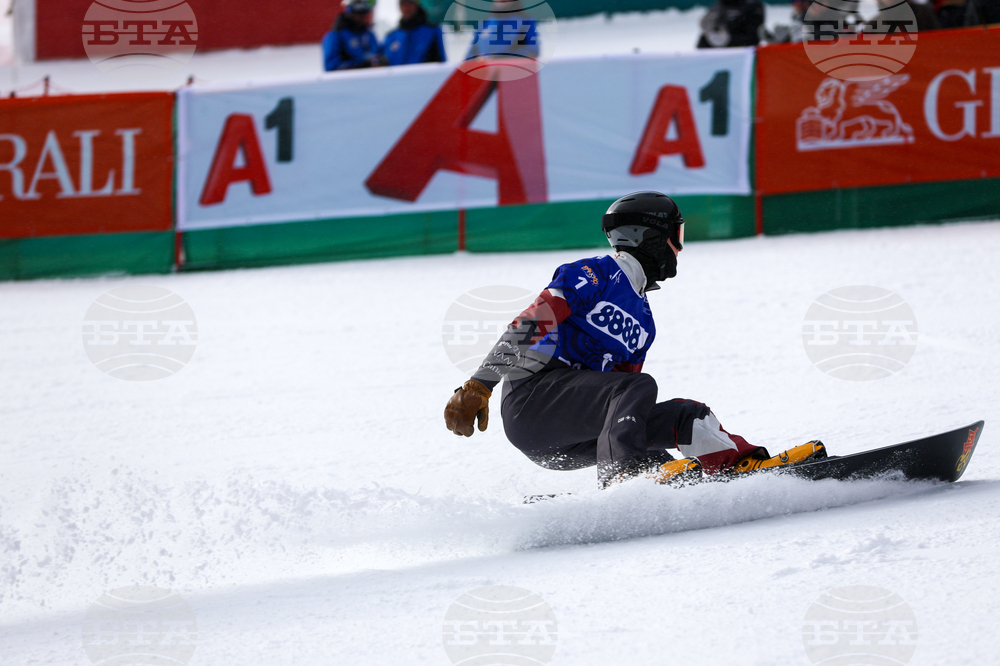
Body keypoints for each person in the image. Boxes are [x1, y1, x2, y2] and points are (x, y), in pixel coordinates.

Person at [444, 192, 826, 488]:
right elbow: (534, 322)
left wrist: (664, 467)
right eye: (676, 235)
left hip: (575, 431)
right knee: (636, 386)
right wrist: (481, 383)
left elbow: (627, 415)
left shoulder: (644, 321)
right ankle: (624, 482)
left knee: (684, 414)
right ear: (651, 237)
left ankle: (737, 468)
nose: (679, 247)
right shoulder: (595, 274)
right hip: (532, 404)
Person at [465, 0, 541, 62]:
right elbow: (469, 57)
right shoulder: (484, 23)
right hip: (484, 76)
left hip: (513, 75)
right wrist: (477, 61)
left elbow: (532, 51)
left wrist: (501, 59)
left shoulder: (525, 21)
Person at [382, 0, 446, 66]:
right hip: (396, 76)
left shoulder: (432, 32)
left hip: (423, 75)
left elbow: (441, 65)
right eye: (403, 3)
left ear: (417, 5)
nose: (407, 7)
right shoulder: (391, 37)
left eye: (410, 3)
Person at [322, 0, 381, 72]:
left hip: (372, 81)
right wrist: (360, 65)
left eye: (364, 13)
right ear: (350, 11)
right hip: (347, 81)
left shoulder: (369, 34)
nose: (362, 17)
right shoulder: (336, 36)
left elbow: (378, 55)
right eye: (358, 13)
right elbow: (331, 66)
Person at [697, 0, 765, 48]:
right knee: (703, 40)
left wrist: (727, 40)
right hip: (719, 49)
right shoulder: (719, 5)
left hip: (743, 51)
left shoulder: (752, 6)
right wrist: (711, 33)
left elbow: (754, 38)